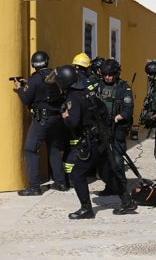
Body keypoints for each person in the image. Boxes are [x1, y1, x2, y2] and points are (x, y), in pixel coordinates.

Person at [54, 65, 137, 219]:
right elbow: (104, 111)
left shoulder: (73, 98)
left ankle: (86, 209)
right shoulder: (88, 92)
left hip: (90, 141)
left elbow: (73, 122)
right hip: (100, 139)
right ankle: (127, 202)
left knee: (77, 174)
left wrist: (65, 116)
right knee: (107, 172)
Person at [12, 51, 67, 196]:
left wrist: (19, 87)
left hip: (42, 119)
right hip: (56, 117)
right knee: (54, 148)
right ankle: (61, 182)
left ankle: (34, 187)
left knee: (30, 149)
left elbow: (26, 100)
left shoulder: (34, 79)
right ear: (46, 62)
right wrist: (27, 84)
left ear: (33, 64)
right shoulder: (54, 75)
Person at [97, 59, 133, 196]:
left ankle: (122, 189)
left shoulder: (124, 88)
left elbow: (127, 110)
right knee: (102, 160)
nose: (107, 77)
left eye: (110, 74)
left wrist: (115, 118)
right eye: (105, 74)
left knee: (117, 160)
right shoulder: (99, 86)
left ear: (116, 74)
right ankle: (110, 186)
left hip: (116, 128)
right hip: (101, 128)